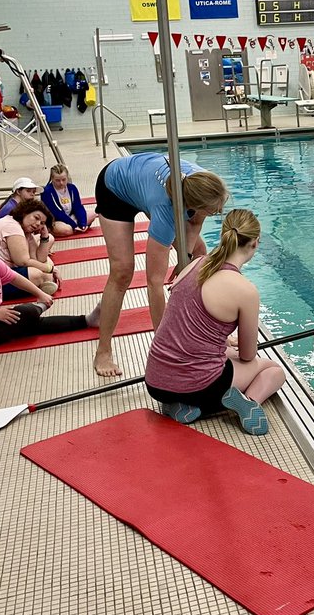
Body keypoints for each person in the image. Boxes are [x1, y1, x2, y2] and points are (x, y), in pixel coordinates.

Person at [145, 209, 285, 433]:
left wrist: (224, 343)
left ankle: (181, 406)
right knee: (273, 371)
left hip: (155, 381)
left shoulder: (195, 264)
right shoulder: (246, 291)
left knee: (225, 355)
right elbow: (248, 355)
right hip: (201, 384)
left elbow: (188, 324)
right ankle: (248, 402)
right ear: (255, 244)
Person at [93, 153, 228, 377]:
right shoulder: (166, 210)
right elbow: (154, 283)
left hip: (146, 182)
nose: (218, 213)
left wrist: (184, 255)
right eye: (213, 211)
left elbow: (194, 223)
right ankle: (103, 351)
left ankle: (202, 330)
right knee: (122, 273)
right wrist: (167, 350)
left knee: (200, 256)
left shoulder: (205, 183)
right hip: (114, 188)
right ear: (191, 204)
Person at [0, 219, 99, 351]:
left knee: (29, 322)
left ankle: (86, 320)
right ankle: (43, 309)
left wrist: (39, 293)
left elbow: (14, 277)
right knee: (26, 315)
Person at [0, 199, 59, 298]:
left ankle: (42, 283)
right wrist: (51, 269)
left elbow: (39, 259)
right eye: (36, 218)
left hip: (1, 271)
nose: (38, 224)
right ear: (25, 212)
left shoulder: (26, 231)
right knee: (38, 275)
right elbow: (23, 262)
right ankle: (40, 284)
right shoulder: (12, 226)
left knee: (45, 269)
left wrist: (44, 237)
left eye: (42, 223)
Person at [41, 164, 96, 237]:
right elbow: (56, 213)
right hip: (56, 220)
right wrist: (73, 225)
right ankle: (70, 229)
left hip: (70, 216)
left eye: (64, 180)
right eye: (57, 180)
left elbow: (78, 207)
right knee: (66, 230)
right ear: (52, 178)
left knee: (92, 214)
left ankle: (76, 228)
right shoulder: (47, 192)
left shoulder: (72, 188)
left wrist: (82, 223)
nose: (61, 183)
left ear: (67, 177)